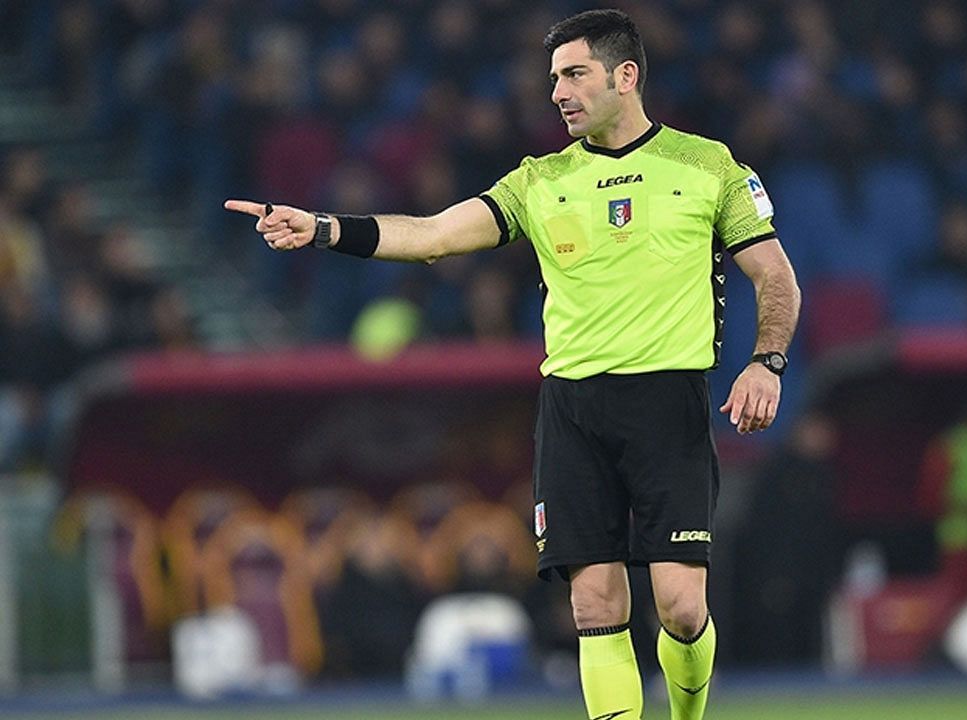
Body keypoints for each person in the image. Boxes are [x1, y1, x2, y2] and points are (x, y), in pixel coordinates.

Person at [225, 9, 801, 720]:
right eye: (554, 78)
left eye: (575, 74)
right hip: (572, 409)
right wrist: (322, 228)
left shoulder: (706, 165)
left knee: (681, 607)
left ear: (625, 76)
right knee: (595, 604)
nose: (558, 92)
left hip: (667, 402)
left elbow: (775, 275)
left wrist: (766, 362)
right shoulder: (540, 180)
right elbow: (434, 235)